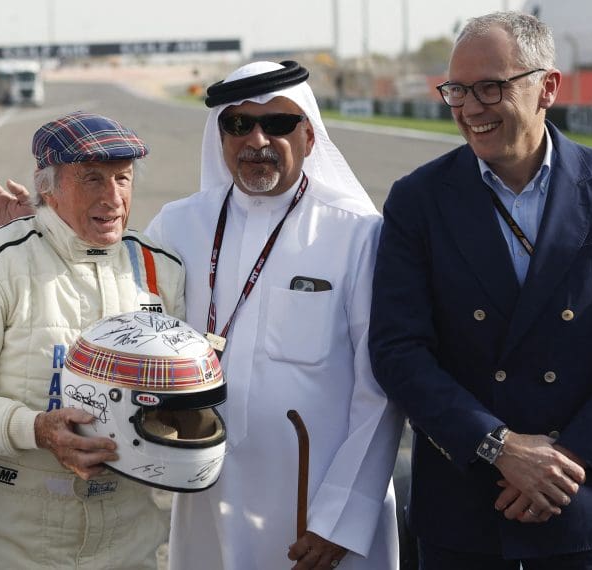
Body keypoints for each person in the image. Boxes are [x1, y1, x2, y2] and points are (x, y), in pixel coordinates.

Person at [369, 11, 592, 569]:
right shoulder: (418, 200)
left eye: (490, 87)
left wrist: (571, 459)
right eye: (456, 90)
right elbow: (397, 350)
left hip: (578, 501)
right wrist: (498, 447)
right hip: (465, 504)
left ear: (548, 87)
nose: (469, 108)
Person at [145, 61, 402, 570]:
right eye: (238, 124)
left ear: (308, 135)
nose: (256, 138)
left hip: (317, 497)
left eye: (278, 124)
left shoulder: (357, 233)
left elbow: (382, 390)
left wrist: (340, 517)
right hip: (208, 492)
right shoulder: (176, 226)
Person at [0, 111, 185, 569]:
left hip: (128, 531)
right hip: (14, 532)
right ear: (47, 188)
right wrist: (36, 429)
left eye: (123, 178)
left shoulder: (162, 268)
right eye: (92, 179)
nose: (112, 197)